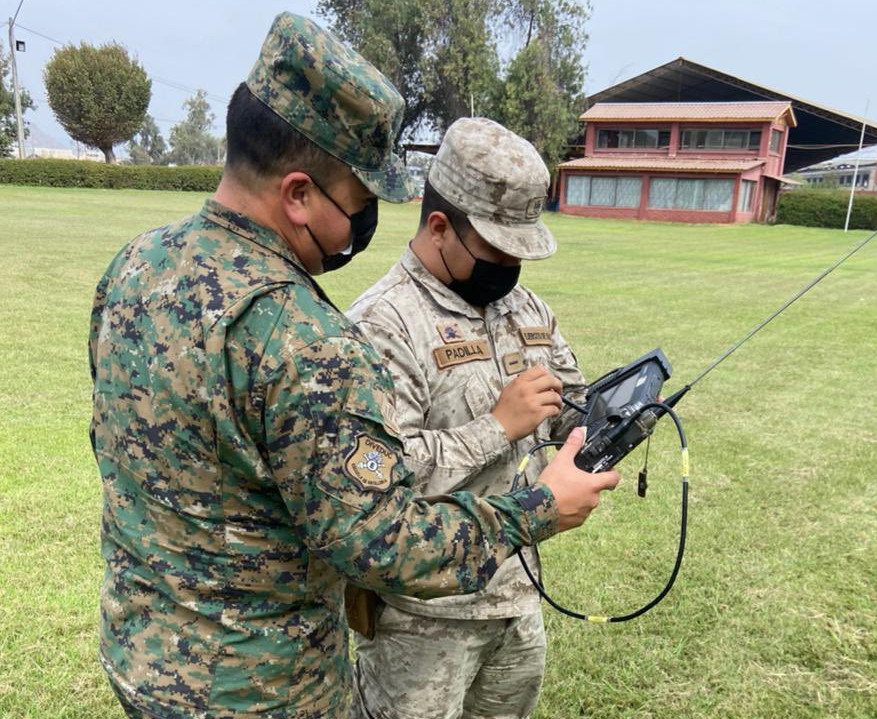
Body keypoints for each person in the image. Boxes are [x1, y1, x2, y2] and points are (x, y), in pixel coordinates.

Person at [87, 14, 619, 719]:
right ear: (299, 194)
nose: (365, 226)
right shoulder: (310, 342)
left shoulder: (133, 268)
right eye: (361, 202)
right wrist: (538, 507)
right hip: (262, 691)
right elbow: (387, 546)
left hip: (144, 663)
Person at [347, 117, 589, 719]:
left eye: (520, 253)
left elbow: (571, 404)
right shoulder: (383, 324)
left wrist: (615, 416)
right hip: (422, 620)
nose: (509, 269)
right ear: (439, 227)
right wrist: (497, 427)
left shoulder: (525, 307)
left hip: (517, 594)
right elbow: (379, 482)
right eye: (497, 252)